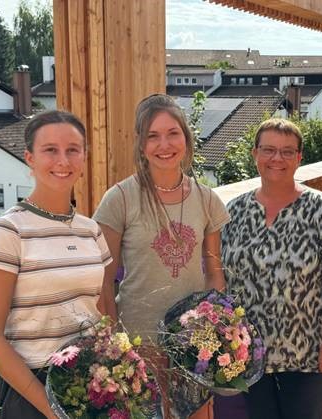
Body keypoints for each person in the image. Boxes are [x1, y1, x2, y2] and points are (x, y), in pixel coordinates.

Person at [93, 93, 229, 417]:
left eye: (172, 133)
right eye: (152, 136)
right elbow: (104, 279)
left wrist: (215, 330)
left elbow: (213, 271)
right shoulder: (120, 200)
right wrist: (113, 344)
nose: (163, 144)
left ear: (186, 137)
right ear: (141, 145)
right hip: (139, 341)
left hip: (192, 342)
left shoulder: (207, 200)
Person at [0, 110, 112, 418]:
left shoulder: (91, 230)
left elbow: (96, 311)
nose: (63, 160)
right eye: (50, 150)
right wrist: (52, 410)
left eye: (72, 150)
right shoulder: (8, 232)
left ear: (84, 157)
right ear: (29, 158)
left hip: (89, 383)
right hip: (31, 389)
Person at [220, 118, 322, 419]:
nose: (276, 159)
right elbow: (222, 277)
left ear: (299, 158)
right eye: (268, 149)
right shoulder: (235, 211)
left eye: (286, 151)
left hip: (306, 355)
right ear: (254, 154)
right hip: (250, 354)